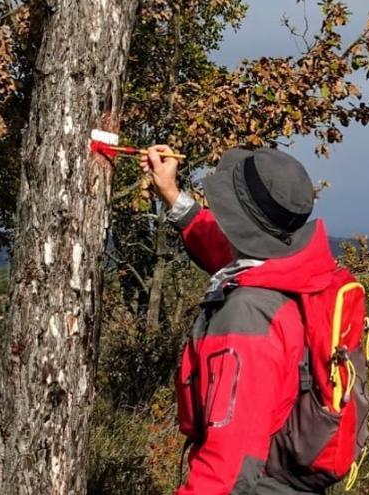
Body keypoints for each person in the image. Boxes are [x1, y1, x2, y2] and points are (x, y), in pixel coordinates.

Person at [140, 145, 337, 495]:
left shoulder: (247, 317)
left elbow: (226, 471)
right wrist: (172, 195)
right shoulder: (294, 271)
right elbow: (227, 251)